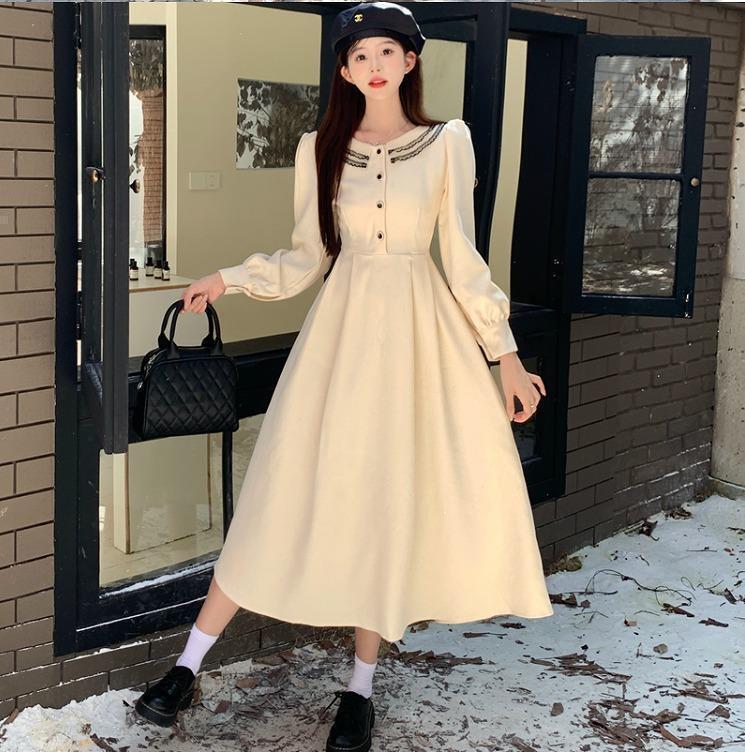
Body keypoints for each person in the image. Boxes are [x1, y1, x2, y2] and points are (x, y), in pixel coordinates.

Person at [134, 3, 552, 750]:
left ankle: (359, 688)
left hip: (421, 343)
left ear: (410, 60)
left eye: (386, 51)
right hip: (341, 338)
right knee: (279, 490)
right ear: (345, 70)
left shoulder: (447, 142)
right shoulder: (320, 147)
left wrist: (506, 356)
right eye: (359, 56)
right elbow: (307, 256)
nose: (373, 66)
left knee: (383, 507)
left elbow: (462, 257)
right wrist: (230, 279)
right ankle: (187, 666)